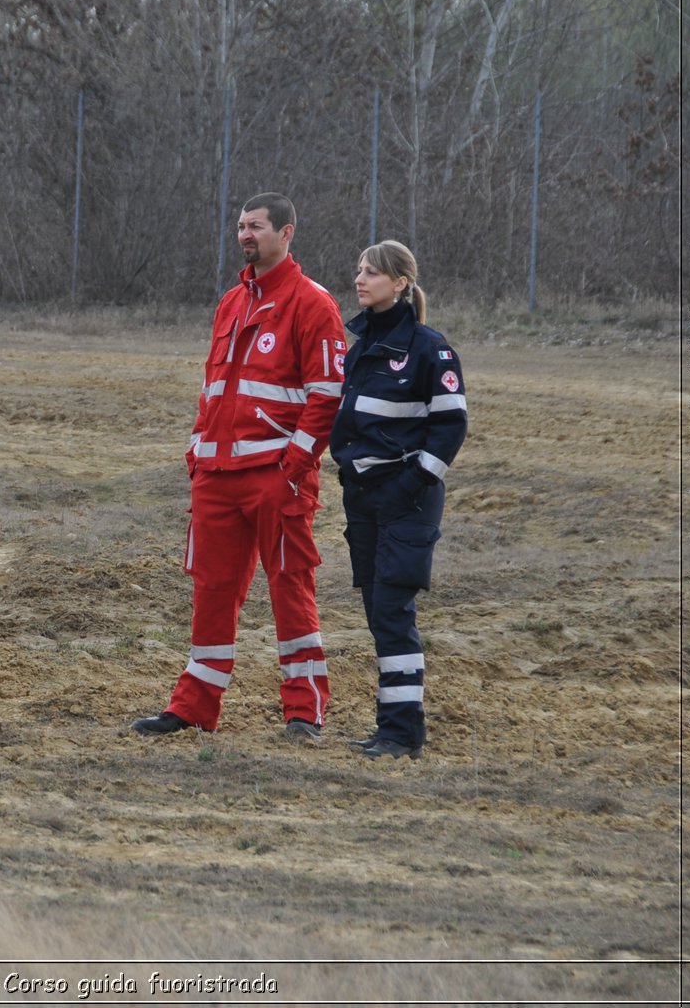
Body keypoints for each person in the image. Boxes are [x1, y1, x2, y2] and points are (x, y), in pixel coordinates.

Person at [134, 193, 346, 741]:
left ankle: (304, 711)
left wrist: (293, 468)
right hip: (216, 479)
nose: (245, 236)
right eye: (240, 227)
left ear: (287, 233)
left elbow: (326, 396)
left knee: (290, 590)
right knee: (210, 590)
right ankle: (194, 708)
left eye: (256, 227)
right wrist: (197, 454)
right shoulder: (231, 301)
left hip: (276, 479)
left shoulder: (313, 303)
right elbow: (213, 387)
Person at [330, 241, 467, 760]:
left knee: (392, 611)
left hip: (405, 500)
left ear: (401, 283)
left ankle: (402, 734)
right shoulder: (360, 342)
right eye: (358, 270)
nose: (360, 280)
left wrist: (410, 484)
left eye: (371, 273)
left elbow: (451, 428)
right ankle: (391, 729)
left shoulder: (431, 348)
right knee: (376, 610)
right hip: (362, 498)